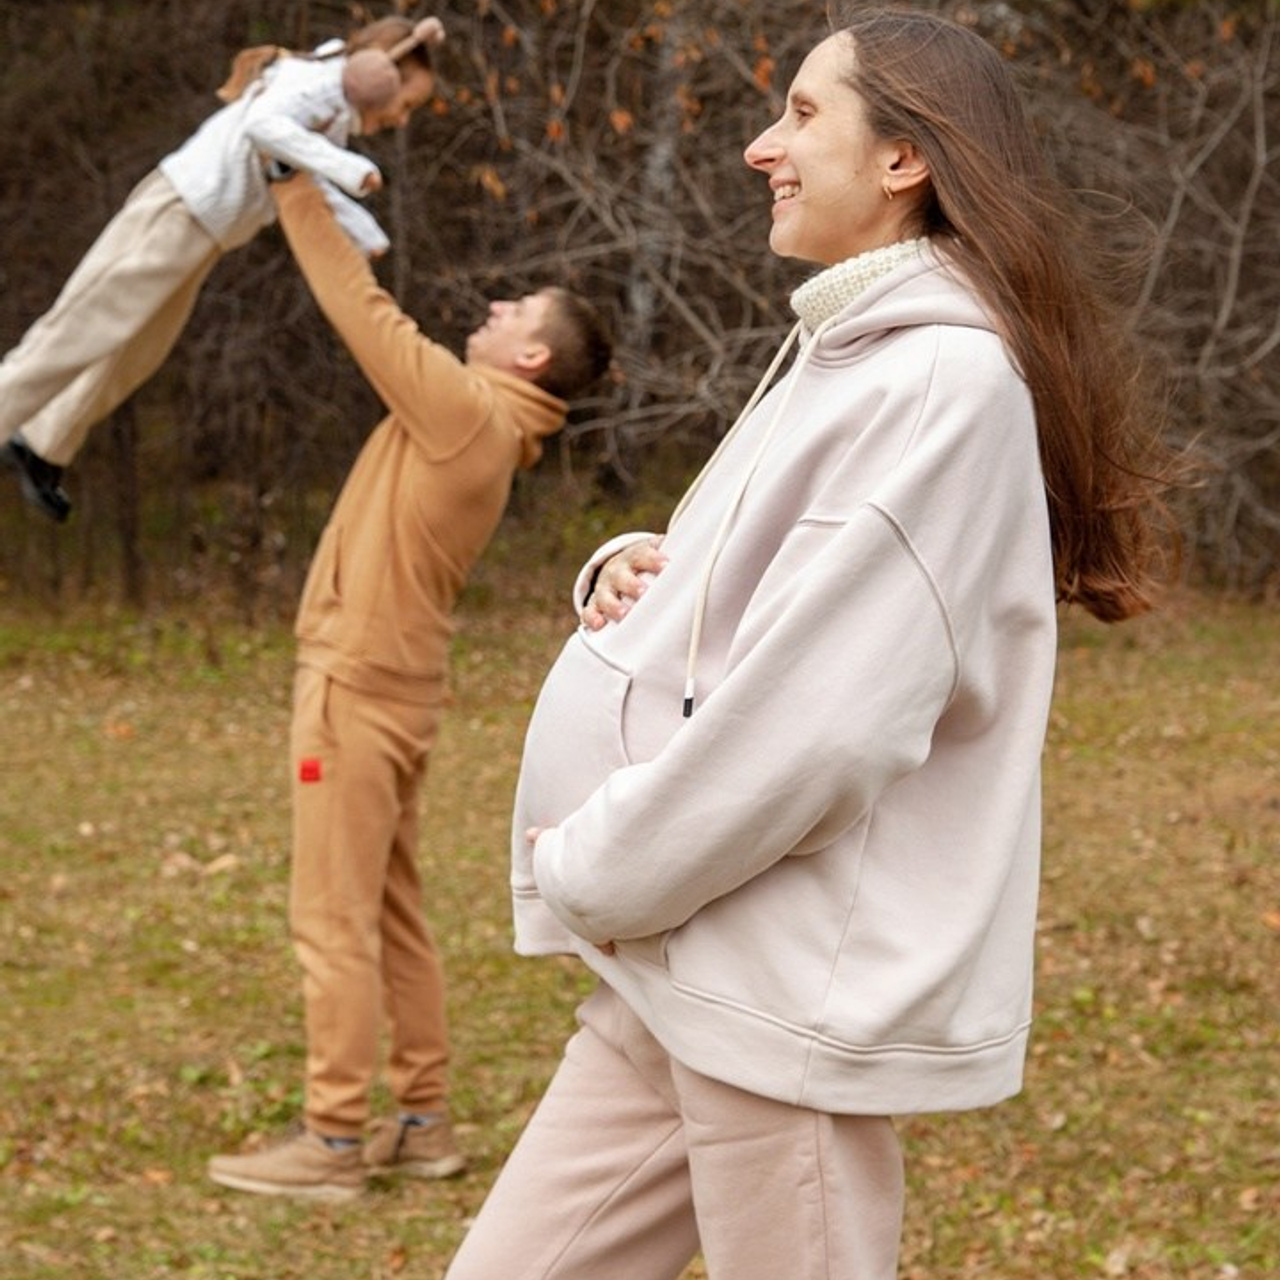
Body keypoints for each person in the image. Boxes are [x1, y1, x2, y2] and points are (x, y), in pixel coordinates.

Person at [445, 6, 1182, 1278]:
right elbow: (778, 611)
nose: (758, 147)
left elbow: (822, 719)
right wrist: (633, 567)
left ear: (902, 159)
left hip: (773, 994)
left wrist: (600, 869)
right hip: (681, 973)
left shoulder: (939, 383)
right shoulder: (846, 348)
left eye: (798, 114)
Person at [206, 169, 611, 1203]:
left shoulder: (467, 413)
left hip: (354, 689)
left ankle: (333, 1138)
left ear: (531, 357)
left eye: (516, 311)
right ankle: (423, 1122)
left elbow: (360, 310)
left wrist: (291, 182)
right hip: (399, 688)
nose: (495, 307)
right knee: (388, 910)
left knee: (330, 917)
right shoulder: (485, 423)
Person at [0, 13, 445, 524]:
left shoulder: (333, 113)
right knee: (77, 329)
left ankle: (41, 444)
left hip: (205, 233)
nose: (402, 119)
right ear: (382, 73)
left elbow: (306, 175)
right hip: (177, 209)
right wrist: (349, 170)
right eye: (406, 103)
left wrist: (366, 233)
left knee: (137, 348)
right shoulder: (312, 83)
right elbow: (264, 126)